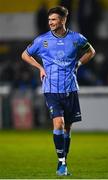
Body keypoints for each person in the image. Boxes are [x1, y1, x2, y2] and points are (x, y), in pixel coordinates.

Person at [21, 6, 95, 176]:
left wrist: (78, 64)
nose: (51, 23)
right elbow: (25, 54)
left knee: (67, 129)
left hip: (70, 88)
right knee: (59, 123)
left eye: (54, 20)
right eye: (49, 20)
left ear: (63, 20)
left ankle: (63, 161)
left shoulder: (76, 39)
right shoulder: (42, 40)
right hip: (51, 89)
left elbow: (91, 51)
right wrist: (39, 67)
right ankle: (61, 163)